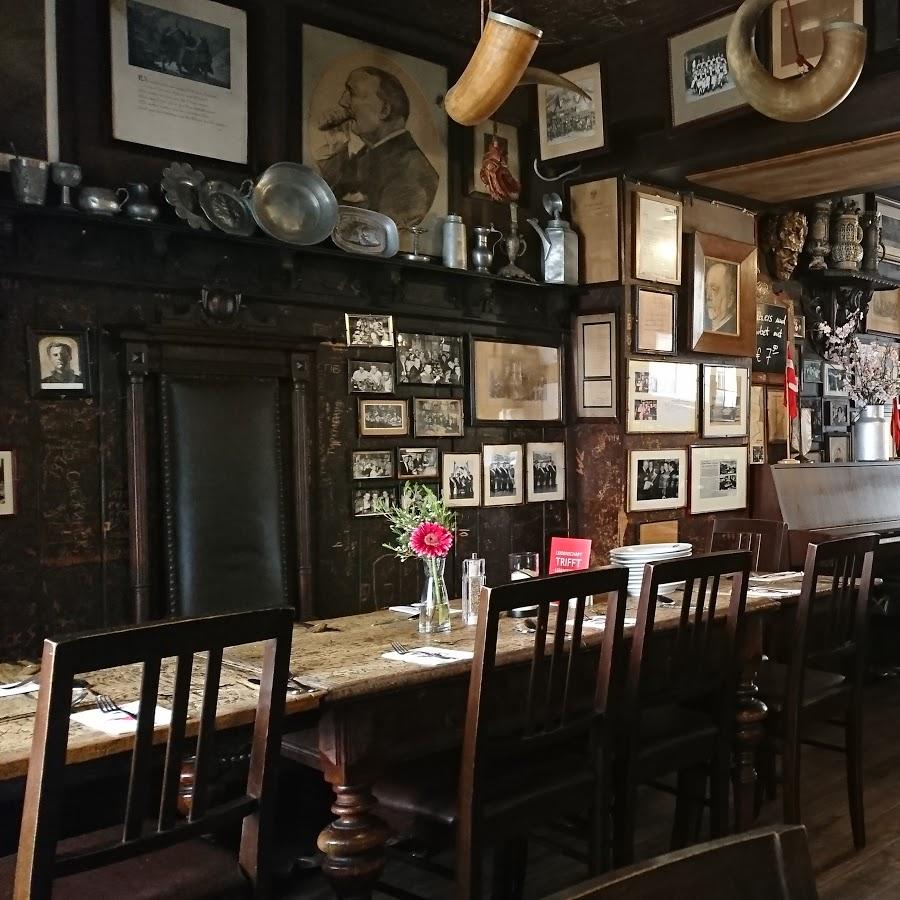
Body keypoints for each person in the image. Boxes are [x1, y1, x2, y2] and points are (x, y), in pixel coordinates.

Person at [318, 67, 438, 229]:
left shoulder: (414, 171)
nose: (343, 102)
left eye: (352, 93)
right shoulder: (360, 156)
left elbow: (374, 235)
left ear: (384, 110)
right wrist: (335, 151)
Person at [704, 262, 738, 335]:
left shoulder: (732, 332)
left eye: (714, 289)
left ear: (730, 300)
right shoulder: (705, 327)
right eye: (707, 289)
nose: (708, 297)